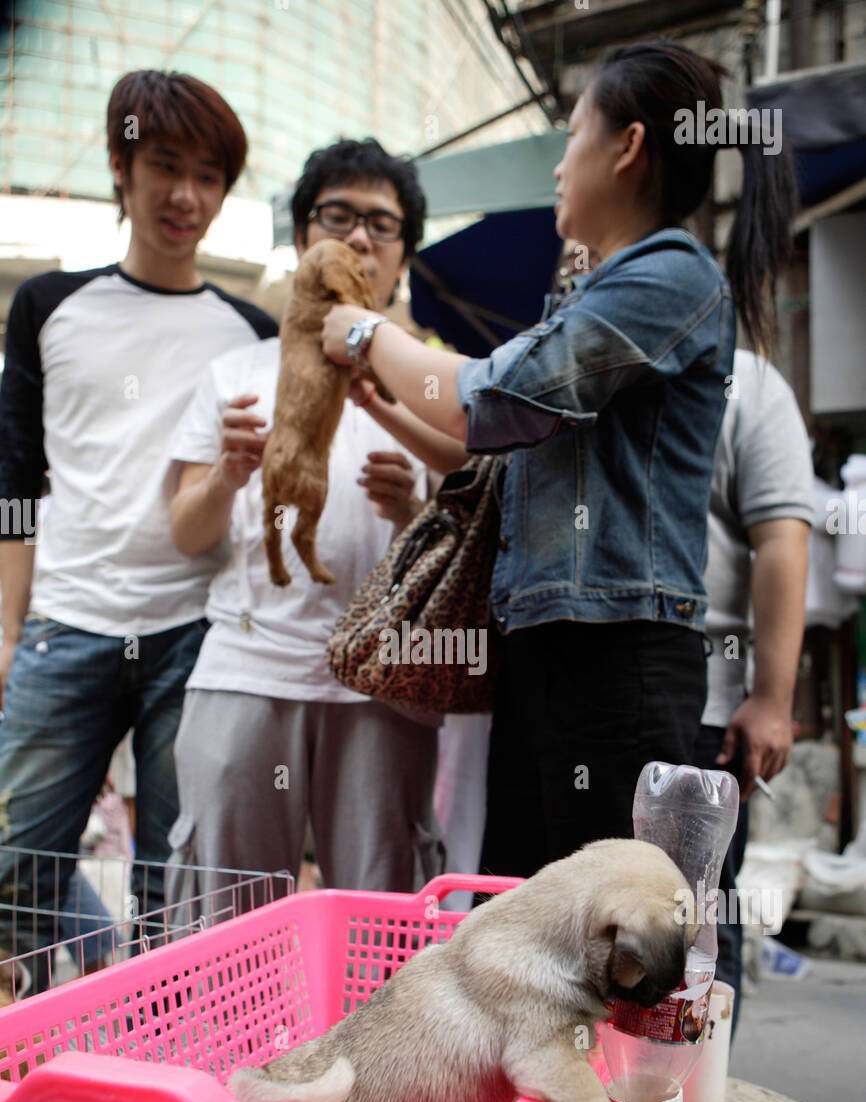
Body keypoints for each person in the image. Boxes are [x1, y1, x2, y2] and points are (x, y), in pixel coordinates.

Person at [322, 39, 798, 881]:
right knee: (527, 932)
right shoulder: (597, 294)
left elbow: (495, 396)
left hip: (619, 656)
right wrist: (386, 402)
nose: (558, 165)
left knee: (613, 949)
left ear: (629, 146)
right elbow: (501, 447)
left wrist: (370, 332)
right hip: (551, 647)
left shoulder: (673, 276)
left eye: (573, 134)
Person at [0, 70, 277, 980]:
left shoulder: (249, 332)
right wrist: (9, 626)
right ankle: (76, 1010)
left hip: (196, 638)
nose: (186, 195)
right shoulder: (47, 307)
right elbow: (14, 480)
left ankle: (145, 1068)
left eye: (208, 174)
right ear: (121, 167)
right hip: (66, 624)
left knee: (176, 883)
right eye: (164, 165)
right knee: (14, 869)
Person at [166, 138, 447, 893]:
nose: (359, 237)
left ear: (402, 257)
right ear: (301, 239)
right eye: (338, 216)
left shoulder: (433, 382)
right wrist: (227, 476)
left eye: (382, 226)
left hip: (383, 686)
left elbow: (467, 546)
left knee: (382, 916)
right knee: (224, 915)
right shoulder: (239, 372)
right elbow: (187, 532)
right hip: (247, 670)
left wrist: (413, 510)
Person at [696, 349, 812, 1032]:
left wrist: (773, 698)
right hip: (584, 698)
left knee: (699, 918)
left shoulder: (749, 381)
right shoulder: (591, 355)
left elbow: (782, 538)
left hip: (707, 704)